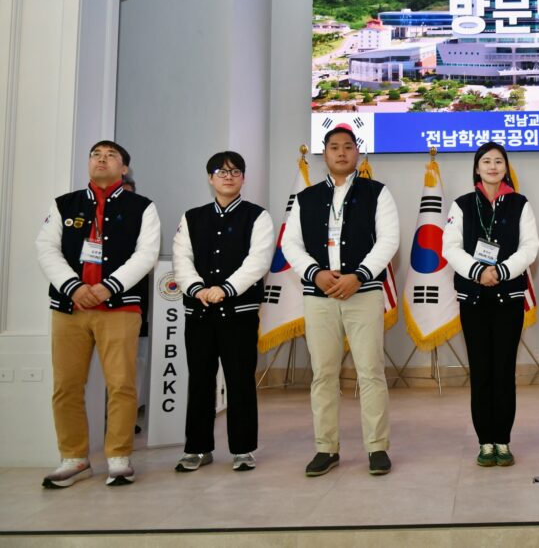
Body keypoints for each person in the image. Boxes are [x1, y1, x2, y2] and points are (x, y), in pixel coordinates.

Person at [35, 140, 160, 487]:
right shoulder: (64, 204)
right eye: (96, 155)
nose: (102, 160)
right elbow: (46, 248)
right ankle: (74, 458)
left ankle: (119, 457)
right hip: (69, 308)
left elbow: (146, 254)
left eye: (111, 156)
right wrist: (73, 286)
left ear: (124, 168)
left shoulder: (142, 207)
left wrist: (109, 287)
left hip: (119, 308)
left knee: (121, 384)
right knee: (66, 385)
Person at [281, 127, 400, 476]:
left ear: (357, 152)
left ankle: (377, 448)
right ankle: (326, 448)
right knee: (323, 374)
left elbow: (389, 239)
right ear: (325, 153)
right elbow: (290, 243)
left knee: (370, 371)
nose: (342, 153)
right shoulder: (307, 197)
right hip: (319, 295)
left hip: (363, 292)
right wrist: (315, 273)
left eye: (348, 147)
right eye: (334, 147)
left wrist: (359, 275)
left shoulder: (377, 192)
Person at [171, 151, 275, 472]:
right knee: (200, 379)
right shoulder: (192, 217)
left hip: (239, 313)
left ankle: (243, 449)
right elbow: (181, 258)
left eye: (235, 171)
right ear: (210, 178)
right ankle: (197, 448)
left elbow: (258, 261)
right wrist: (197, 288)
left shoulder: (257, 216)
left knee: (240, 380)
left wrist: (226, 288)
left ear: (243, 178)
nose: (228, 176)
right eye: (221, 171)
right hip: (199, 312)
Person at [442, 142, 539, 467]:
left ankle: (503, 439)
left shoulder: (520, 204)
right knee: (481, 371)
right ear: (477, 168)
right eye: (487, 161)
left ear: (506, 167)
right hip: (474, 299)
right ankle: (485, 441)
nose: (493, 166)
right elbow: (450, 247)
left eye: (499, 161)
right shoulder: (462, 205)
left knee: (504, 371)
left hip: (508, 298)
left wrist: (500, 271)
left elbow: (530, 247)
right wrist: (477, 272)